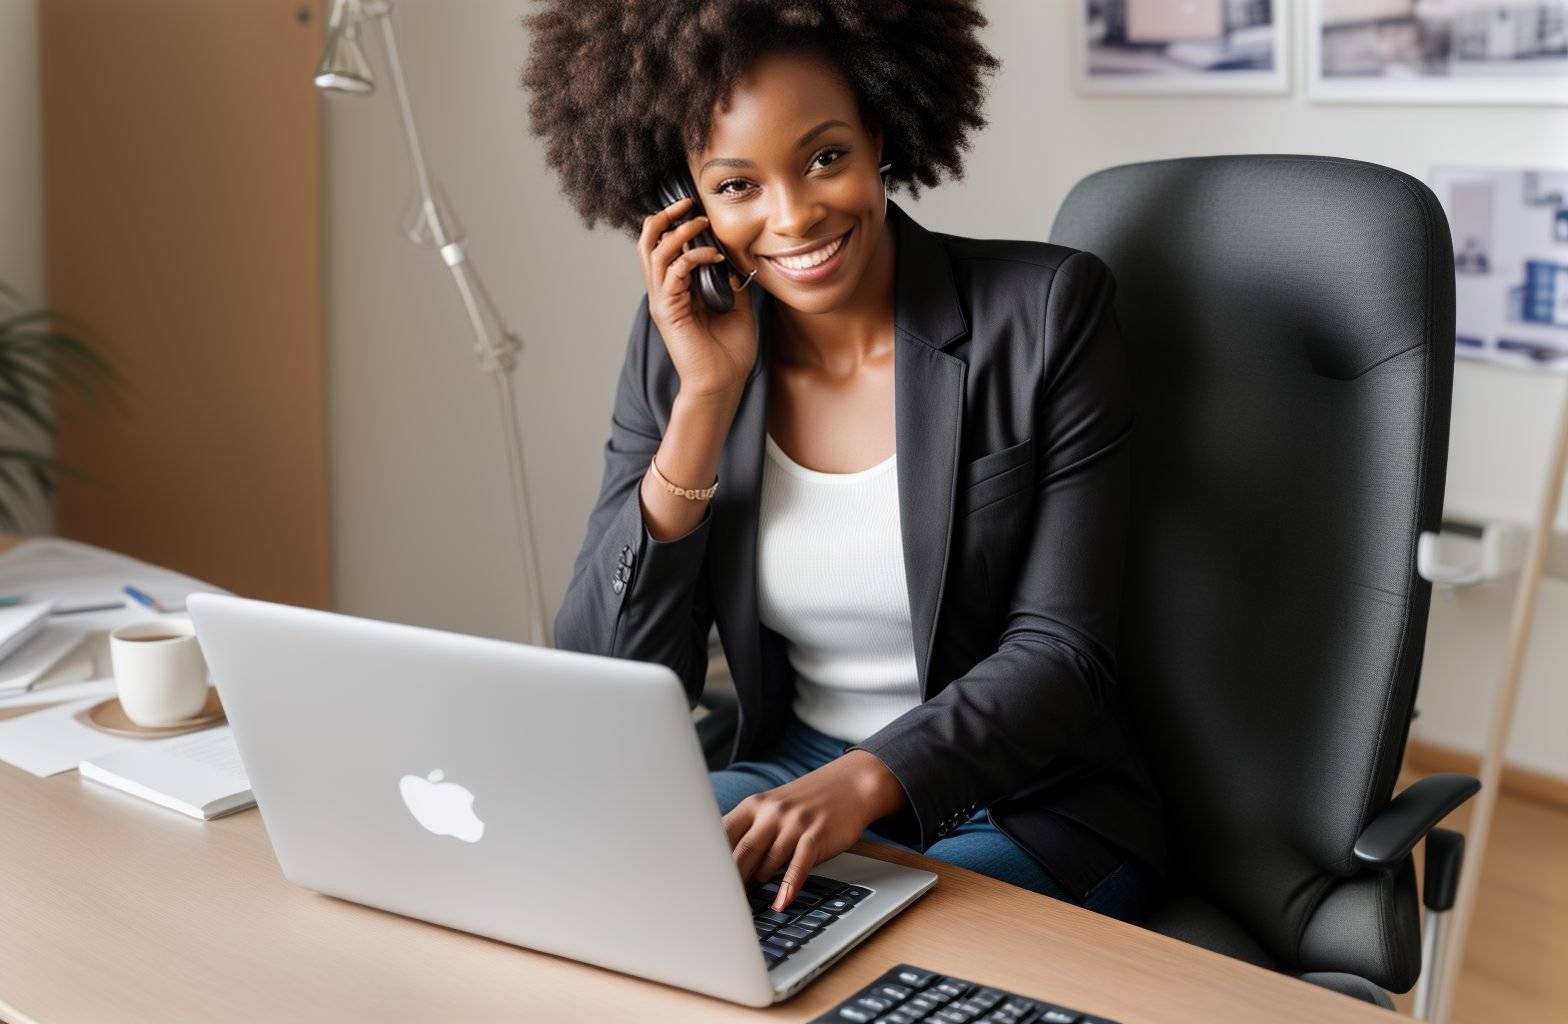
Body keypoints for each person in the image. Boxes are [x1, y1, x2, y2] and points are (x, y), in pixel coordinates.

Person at [525, 0, 1164, 924]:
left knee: (859, 970)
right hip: (795, 770)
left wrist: (866, 782)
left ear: (881, 129)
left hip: (1023, 801)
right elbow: (608, 675)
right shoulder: (681, 344)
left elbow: (1062, 653)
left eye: (825, 157)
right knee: (576, 884)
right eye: (737, 185)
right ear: (686, 198)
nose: (793, 217)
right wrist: (704, 400)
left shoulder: (1045, 313)